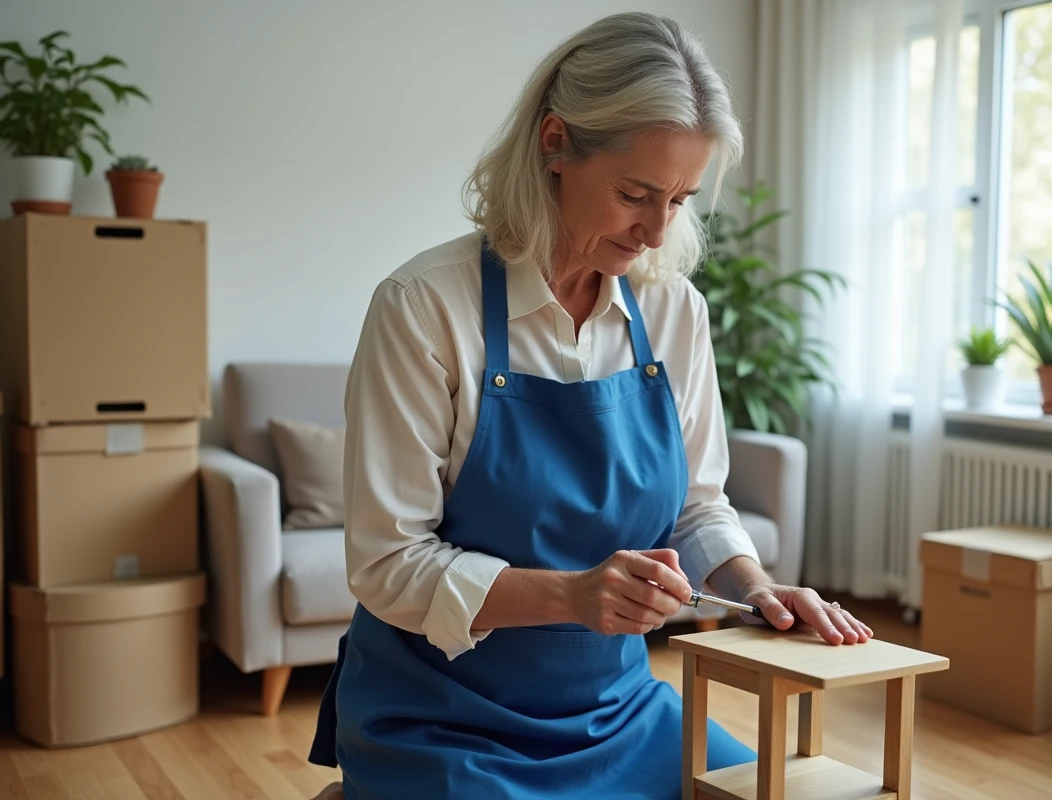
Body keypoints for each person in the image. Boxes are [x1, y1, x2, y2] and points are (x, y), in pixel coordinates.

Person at [307, 11, 873, 800]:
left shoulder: (675, 313)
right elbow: (386, 564)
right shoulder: (423, 307)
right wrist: (574, 595)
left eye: (678, 199)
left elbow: (698, 507)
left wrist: (754, 585)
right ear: (554, 145)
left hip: (618, 710)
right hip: (441, 713)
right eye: (636, 193)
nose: (655, 229)